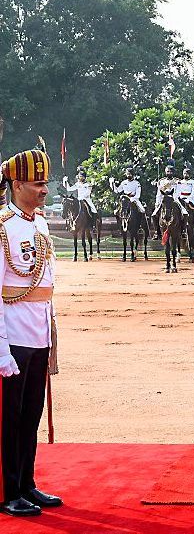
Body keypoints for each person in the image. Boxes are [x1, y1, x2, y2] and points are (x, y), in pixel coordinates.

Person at [0, 149, 62, 517]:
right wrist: (1, 350)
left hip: (37, 334)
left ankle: (26, 483)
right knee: (9, 418)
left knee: (31, 415)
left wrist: (50, 331)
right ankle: (7, 491)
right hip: (12, 338)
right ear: (17, 184)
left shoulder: (39, 224)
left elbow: (45, 283)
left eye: (44, 183)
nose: (44, 189)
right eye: (38, 184)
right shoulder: (3, 228)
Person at [152, 162, 187, 234]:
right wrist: (157, 203)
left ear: (173, 172)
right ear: (165, 172)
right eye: (168, 171)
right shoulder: (161, 181)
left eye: (171, 171)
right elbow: (159, 193)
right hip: (164, 200)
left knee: (185, 213)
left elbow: (179, 191)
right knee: (154, 214)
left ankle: (183, 231)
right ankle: (156, 232)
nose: (169, 173)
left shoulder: (177, 181)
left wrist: (173, 197)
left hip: (175, 199)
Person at [175, 165, 194, 232]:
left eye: (187, 173)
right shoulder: (179, 182)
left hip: (190, 198)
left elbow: (193, 192)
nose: (186, 175)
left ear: (189, 175)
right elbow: (177, 191)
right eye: (184, 173)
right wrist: (178, 198)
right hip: (181, 197)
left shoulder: (193, 182)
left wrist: (188, 199)